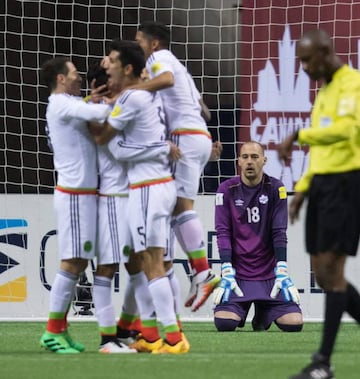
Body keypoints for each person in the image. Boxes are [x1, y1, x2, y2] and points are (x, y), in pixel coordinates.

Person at [94, 39, 189, 354]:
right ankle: (151, 335)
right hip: (153, 185)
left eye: (114, 62)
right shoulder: (145, 95)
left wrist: (86, 110)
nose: (110, 67)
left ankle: (173, 338)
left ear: (129, 68)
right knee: (151, 262)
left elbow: (105, 139)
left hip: (148, 187)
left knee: (151, 264)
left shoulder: (133, 97)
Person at [277, 29, 360, 379]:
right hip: (323, 185)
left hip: (346, 182)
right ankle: (323, 362)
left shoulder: (350, 84)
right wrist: (303, 190)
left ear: (327, 52)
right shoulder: (324, 92)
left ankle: (322, 362)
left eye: (308, 60)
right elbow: (322, 153)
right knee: (323, 273)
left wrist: (298, 134)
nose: (305, 68)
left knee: (332, 270)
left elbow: (347, 130)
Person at [134, 21, 221, 312]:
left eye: (140, 41)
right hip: (198, 137)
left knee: (180, 209)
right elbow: (204, 110)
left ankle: (203, 272)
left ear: (154, 43)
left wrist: (133, 89)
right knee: (172, 210)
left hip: (183, 138)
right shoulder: (181, 67)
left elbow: (167, 80)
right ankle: (193, 275)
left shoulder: (160, 59)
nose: (138, 47)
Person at [40, 56, 111, 353]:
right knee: (70, 262)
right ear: (60, 79)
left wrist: (92, 99)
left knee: (79, 262)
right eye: (74, 74)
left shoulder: (68, 104)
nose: (79, 77)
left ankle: (61, 328)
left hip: (83, 194)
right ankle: (52, 331)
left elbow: (88, 107)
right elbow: (100, 111)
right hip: (73, 195)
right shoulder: (60, 103)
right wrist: (126, 97)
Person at [213, 141, 303, 334]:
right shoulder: (226, 189)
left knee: (294, 324)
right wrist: (227, 269)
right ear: (238, 161)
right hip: (238, 276)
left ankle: (263, 310)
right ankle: (245, 310)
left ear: (264, 160)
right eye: (245, 157)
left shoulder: (276, 188)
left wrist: (282, 269)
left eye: (255, 157)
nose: (249, 162)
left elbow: (279, 232)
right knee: (224, 324)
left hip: (270, 276)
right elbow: (223, 232)